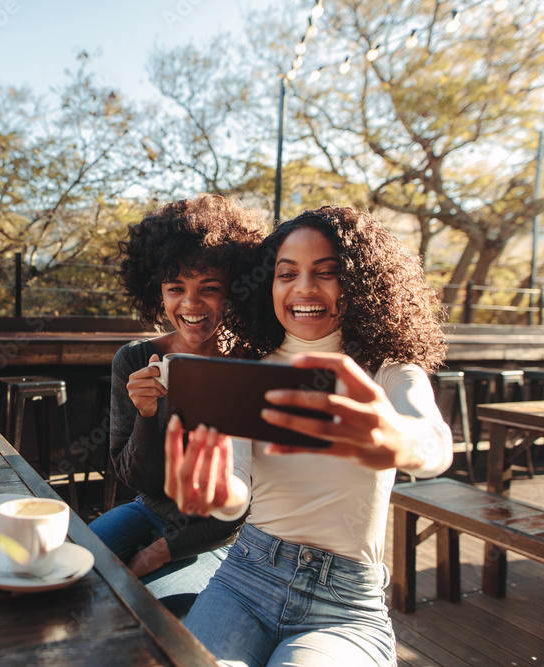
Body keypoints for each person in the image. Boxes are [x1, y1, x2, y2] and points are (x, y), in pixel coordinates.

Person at [163, 205, 453, 666]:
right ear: (269, 285)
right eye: (287, 273)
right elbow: (236, 496)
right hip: (245, 579)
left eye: (327, 272)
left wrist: (398, 439)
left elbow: (435, 442)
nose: (303, 288)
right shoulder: (248, 374)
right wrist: (215, 493)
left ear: (360, 283)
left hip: (344, 608)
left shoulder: (391, 373)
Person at [89, 193, 267, 615]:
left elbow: (248, 501)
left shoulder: (251, 367)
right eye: (176, 289)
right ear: (158, 293)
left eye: (209, 289)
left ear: (234, 294)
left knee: (147, 612)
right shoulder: (134, 359)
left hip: (221, 537)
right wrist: (148, 416)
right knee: (69, 568)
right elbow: (136, 478)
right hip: (147, 511)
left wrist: (157, 554)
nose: (190, 304)